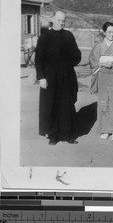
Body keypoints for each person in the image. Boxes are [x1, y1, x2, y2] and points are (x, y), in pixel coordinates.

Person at [35, 10, 82, 145]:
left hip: (66, 76)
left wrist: (70, 57)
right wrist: (41, 77)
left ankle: (68, 135)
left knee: (66, 105)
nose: (61, 23)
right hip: (50, 77)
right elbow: (39, 59)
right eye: (59, 20)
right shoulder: (45, 37)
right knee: (51, 105)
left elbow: (77, 56)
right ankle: (53, 135)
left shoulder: (69, 35)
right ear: (53, 19)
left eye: (63, 21)